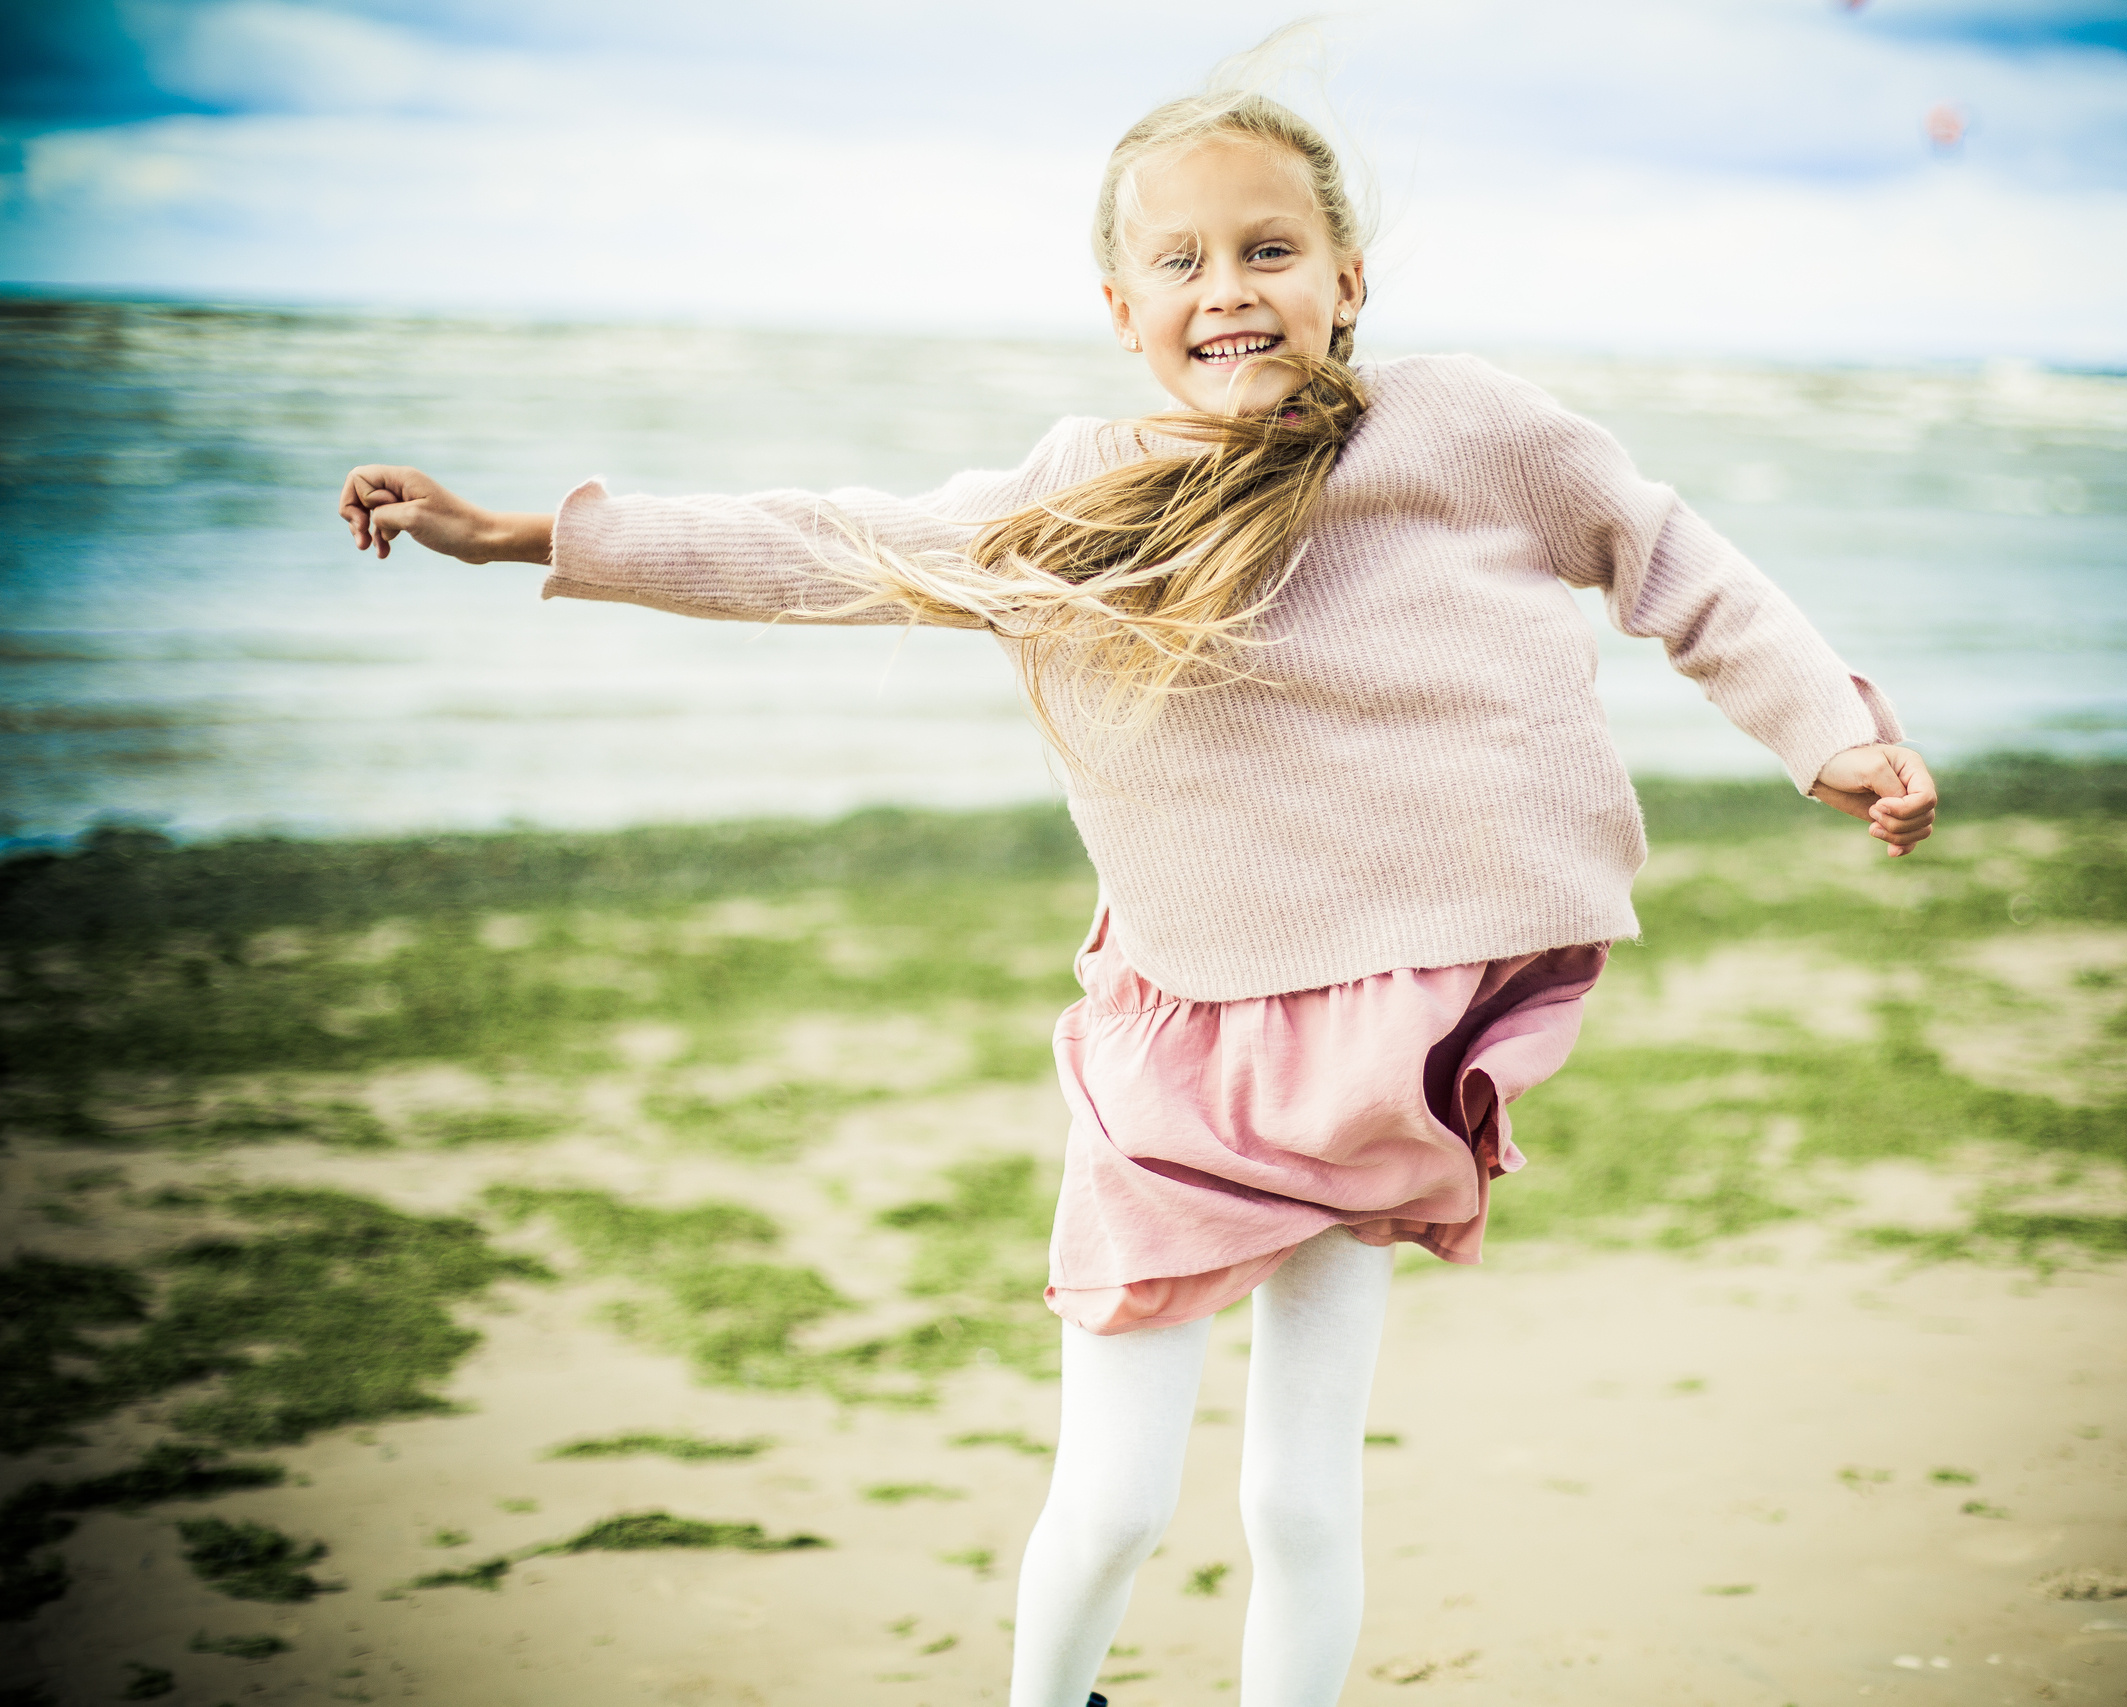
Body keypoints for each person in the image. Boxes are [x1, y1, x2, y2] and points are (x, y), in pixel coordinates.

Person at [336, 75, 1936, 1707]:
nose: (1227, 291)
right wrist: (525, 533)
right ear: (1121, 309)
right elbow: (828, 545)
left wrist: (1830, 733)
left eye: (1269, 250)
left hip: (1389, 1037)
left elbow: (1674, 560)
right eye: (1180, 264)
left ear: (1347, 279)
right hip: (1181, 1058)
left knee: (1303, 1495)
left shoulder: (1468, 432)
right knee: (1112, 1503)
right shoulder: (1081, 499)